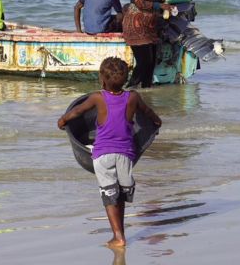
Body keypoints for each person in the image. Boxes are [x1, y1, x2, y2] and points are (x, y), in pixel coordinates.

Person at [57, 57, 162, 248]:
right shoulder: (133, 97)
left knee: (108, 195)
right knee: (120, 194)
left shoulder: (98, 97)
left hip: (103, 154)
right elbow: (148, 113)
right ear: (126, 78)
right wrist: (157, 122)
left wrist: (62, 120)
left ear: (102, 80)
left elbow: (78, 111)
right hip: (126, 154)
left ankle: (118, 237)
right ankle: (120, 232)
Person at [122, 0, 172, 88]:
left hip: (149, 28)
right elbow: (140, 3)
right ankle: (129, 88)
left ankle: (146, 90)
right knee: (144, 61)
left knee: (151, 62)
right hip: (136, 27)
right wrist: (159, 6)